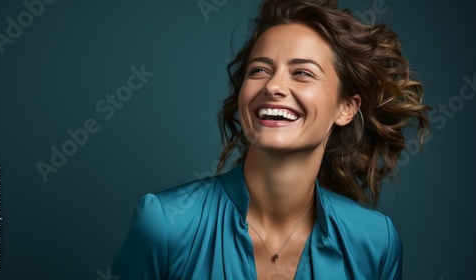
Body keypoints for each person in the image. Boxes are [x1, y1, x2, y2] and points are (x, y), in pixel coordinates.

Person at [112, 0, 430, 279]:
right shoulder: (165, 224)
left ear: (346, 108)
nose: (273, 86)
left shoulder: (376, 242)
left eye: (302, 73)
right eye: (259, 70)